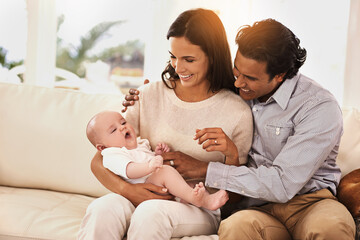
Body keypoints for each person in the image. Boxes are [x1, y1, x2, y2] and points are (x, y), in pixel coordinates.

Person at [124, 19, 356, 239]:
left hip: (310, 202)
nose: (237, 83)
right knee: (235, 228)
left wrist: (206, 169)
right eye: (236, 71)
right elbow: (190, 83)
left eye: (249, 78)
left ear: (280, 75)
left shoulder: (318, 107)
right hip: (256, 207)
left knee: (330, 229)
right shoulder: (238, 90)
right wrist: (141, 95)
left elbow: (283, 184)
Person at [77, 8, 253, 240]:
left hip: (197, 205)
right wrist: (130, 190)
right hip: (143, 190)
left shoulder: (236, 111)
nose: (178, 68)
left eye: (189, 59)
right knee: (102, 209)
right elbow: (101, 159)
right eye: (173, 57)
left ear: (212, 56)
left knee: (151, 213)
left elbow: (237, 193)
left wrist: (222, 160)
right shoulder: (149, 95)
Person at [86, 110, 229, 211]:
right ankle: (199, 199)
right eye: (113, 130)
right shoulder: (111, 154)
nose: (122, 127)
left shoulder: (140, 144)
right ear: (102, 147)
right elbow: (129, 170)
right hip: (144, 189)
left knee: (188, 183)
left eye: (123, 122)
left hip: (157, 185)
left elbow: (147, 158)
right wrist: (149, 166)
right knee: (166, 172)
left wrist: (158, 154)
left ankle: (193, 198)